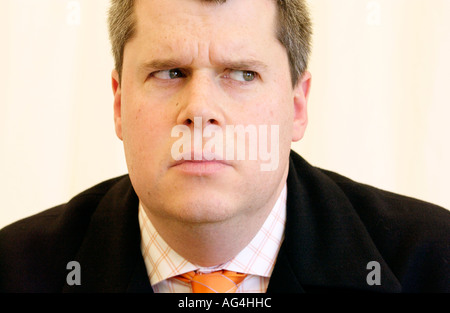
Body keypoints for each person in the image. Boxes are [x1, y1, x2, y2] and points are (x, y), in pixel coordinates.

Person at [1, 0, 449, 293]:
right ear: (119, 104)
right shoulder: (15, 270)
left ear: (296, 106)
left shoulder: (434, 262)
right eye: (170, 72)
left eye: (241, 73)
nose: (199, 109)